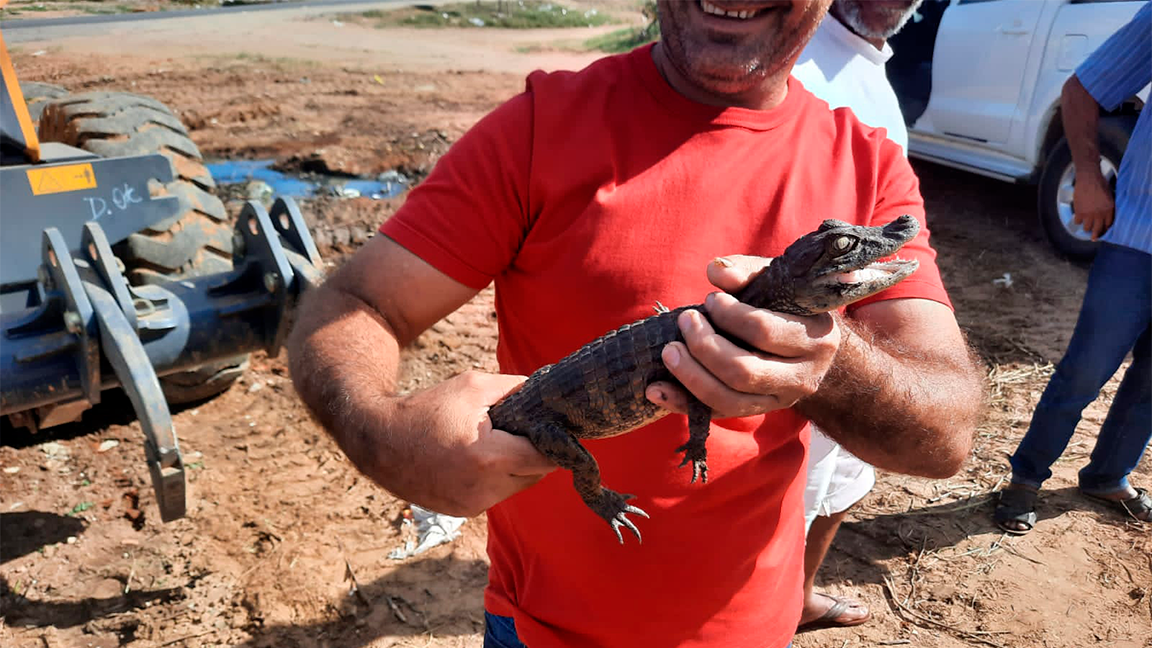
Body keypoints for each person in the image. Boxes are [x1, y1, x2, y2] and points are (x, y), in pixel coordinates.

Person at [287, 2, 984, 647]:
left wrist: (829, 365)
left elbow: (947, 436)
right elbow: (353, 303)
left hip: (753, 626)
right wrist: (382, 433)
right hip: (540, 628)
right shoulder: (539, 126)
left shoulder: (868, 162)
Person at [789, 0, 923, 632]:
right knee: (792, 489)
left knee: (843, 480)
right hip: (800, 330)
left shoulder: (870, 66)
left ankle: (796, 597)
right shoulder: (793, 59)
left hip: (864, 328)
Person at [994, 4, 1152, 535]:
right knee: (1086, 369)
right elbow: (1082, 90)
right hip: (1138, 239)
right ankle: (1026, 477)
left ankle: (1108, 475)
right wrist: (1087, 176)